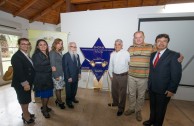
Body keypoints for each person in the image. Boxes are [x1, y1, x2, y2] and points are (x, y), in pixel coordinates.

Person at [124, 31, 184, 121]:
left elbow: (162, 54)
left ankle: (138, 111)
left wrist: (178, 59)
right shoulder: (130, 48)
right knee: (131, 94)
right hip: (131, 76)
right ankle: (132, 108)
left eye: (140, 37)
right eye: (136, 37)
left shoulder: (151, 47)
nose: (138, 39)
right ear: (134, 38)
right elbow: (124, 59)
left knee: (141, 96)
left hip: (143, 77)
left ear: (144, 37)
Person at [143, 34, 182, 126]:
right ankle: (151, 120)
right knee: (152, 107)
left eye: (164, 41)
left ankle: (157, 124)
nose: (161, 43)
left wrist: (172, 89)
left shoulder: (174, 55)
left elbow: (176, 74)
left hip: (164, 89)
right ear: (156, 42)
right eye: (159, 41)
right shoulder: (153, 55)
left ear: (167, 43)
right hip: (152, 87)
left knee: (160, 109)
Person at [11, 38, 35, 124]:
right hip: (21, 84)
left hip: (27, 82)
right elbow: (19, 72)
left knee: (26, 99)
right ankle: (26, 116)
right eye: (23, 44)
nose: (25, 45)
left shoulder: (25, 54)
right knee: (24, 100)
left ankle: (26, 112)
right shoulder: (16, 56)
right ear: (19, 45)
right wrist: (25, 84)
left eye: (27, 44)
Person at [32, 39, 53, 118]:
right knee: (45, 95)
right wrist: (51, 68)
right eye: (40, 45)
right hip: (41, 79)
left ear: (47, 46)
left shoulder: (47, 54)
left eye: (45, 44)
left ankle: (45, 107)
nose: (43, 46)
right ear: (37, 46)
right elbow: (37, 68)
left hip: (47, 78)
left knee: (45, 95)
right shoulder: (36, 55)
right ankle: (44, 110)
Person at [108, 39, 130, 116]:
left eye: (119, 44)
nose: (117, 46)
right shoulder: (112, 54)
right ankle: (115, 103)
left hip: (123, 76)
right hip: (114, 76)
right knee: (114, 91)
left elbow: (130, 64)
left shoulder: (126, 53)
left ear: (122, 45)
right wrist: (111, 75)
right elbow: (110, 65)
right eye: (115, 44)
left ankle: (121, 108)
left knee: (122, 94)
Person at [62, 42, 81, 109]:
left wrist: (79, 73)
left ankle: (73, 98)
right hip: (69, 77)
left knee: (74, 89)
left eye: (75, 47)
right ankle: (68, 102)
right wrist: (68, 77)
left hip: (76, 76)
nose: (74, 48)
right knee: (69, 90)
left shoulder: (77, 55)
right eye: (73, 46)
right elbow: (65, 68)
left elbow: (79, 66)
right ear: (69, 47)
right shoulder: (66, 56)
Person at [50, 38, 65, 109]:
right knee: (58, 89)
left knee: (59, 88)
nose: (60, 45)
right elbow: (52, 65)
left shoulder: (59, 52)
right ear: (55, 44)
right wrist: (56, 75)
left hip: (61, 73)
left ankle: (57, 100)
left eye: (61, 44)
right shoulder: (52, 52)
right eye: (59, 43)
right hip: (57, 74)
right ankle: (60, 102)